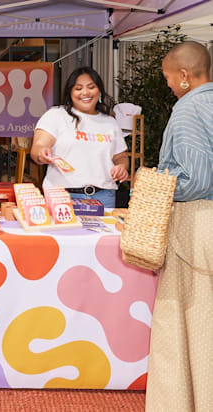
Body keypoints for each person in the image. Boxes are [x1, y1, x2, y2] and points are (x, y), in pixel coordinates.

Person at [146, 41, 213, 412]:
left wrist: (156, 180)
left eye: (169, 78)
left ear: (185, 76)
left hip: (196, 224)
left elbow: (197, 178)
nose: (169, 85)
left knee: (191, 327)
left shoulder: (188, 110)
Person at [30, 66, 129, 208]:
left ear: (99, 90)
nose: (85, 92)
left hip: (104, 196)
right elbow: (38, 147)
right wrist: (41, 153)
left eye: (91, 87)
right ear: (70, 92)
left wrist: (121, 167)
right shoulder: (56, 115)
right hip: (63, 196)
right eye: (78, 88)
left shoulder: (110, 123)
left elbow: (121, 156)